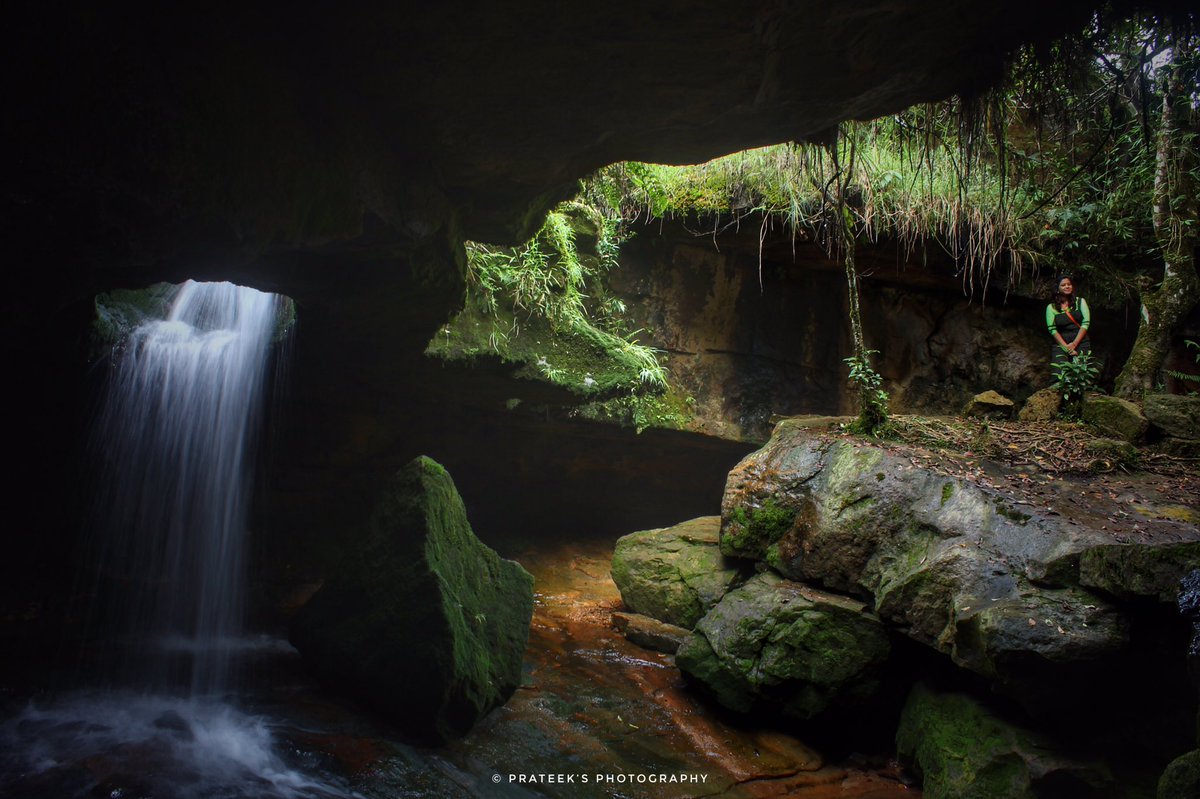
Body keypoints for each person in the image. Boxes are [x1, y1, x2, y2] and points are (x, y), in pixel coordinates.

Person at [1045, 275, 1091, 367]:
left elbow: (1085, 323)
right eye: (1063, 285)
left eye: (1069, 284)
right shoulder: (1051, 307)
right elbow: (1052, 330)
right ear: (1057, 289)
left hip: (1081, 341)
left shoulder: (1080, 302)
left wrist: (1074, 344)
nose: (1067, 286)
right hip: (1061, 343)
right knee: (1059, 373)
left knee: (1080, 372)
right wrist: (1067, 348)